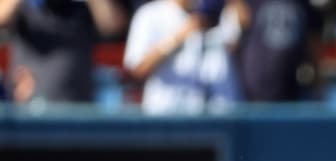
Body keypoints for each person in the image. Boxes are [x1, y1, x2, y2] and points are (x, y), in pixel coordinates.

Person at [123, 0, 244, 113]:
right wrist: (178, 38)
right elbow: (137, 68)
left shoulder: (214, 9)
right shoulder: (150, 14)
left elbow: (239, 35)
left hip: (216, 113)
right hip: (166, 113)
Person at [0, 0, 129, 104]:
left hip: (76, 111)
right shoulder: (25, 9)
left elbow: (113, 26)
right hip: (29, 109)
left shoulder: (81, 9)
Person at [232, 0, 325, 101]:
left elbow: (313, 45)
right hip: (251, 92)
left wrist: (318, 84)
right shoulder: (250, 3)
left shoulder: (304, 6)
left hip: (289, 93)